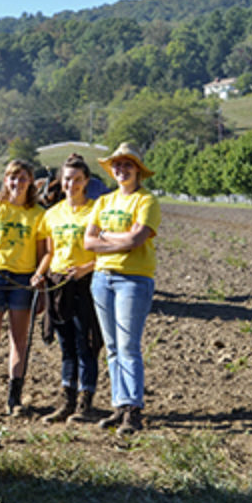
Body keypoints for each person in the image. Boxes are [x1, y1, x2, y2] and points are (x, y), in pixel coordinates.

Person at [83, 142, 161, 436]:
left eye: (127, 164)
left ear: (138, 170)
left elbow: (136, 240)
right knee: (113, 347)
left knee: (128, 346)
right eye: (117, 165)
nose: (121, 169)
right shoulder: (104, 201)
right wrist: (118, 237)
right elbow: (88, 242)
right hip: (102, 278)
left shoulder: (146, 201)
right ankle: (119, 405)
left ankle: (132, 409)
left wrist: (105, 235)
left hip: (134, 279)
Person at [0, 159, 46, 416]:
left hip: (23, 281)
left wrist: (39, 278)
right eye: (13, 178)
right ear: (6, 181)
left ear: (31, 182)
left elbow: (41, 253)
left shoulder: (37, 214)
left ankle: (14, 398)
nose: (17, 183)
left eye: (23, 178)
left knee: (19, 340)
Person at [33, 154, 103, 424]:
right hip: (59, 283)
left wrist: (88, 267)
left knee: (86, 344)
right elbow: (50, 252)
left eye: (76, 179)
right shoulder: (52, 215)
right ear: (60, 183)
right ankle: (67, 401)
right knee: (67, 347)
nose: (71, 184)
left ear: (86, 182)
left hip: (86, 283)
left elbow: (107, 250)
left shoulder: (97, 210)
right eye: (66, 179)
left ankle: (86, 403)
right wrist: (39, 275)